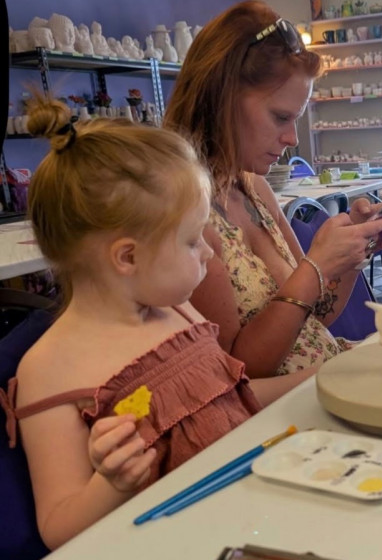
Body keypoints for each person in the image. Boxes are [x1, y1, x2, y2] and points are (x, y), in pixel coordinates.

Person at [1, 98, 315, 550]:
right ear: (127, 257)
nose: (210, 251)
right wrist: (111, 485)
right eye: (192, 240)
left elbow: (235, 400)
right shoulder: (49, 370)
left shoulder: (177, 311)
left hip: (252, 519)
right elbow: (56, 526)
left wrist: (323, 377)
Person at [164, 0, 382, 378]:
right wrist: (316, 265)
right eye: (280, 117)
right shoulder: (184, 213)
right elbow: (239, 374)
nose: (292, 138)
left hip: (321, 381)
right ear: (222, 98)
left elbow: (313, 319)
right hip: (285, 406)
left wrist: (352, 254)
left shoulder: (254, 189)